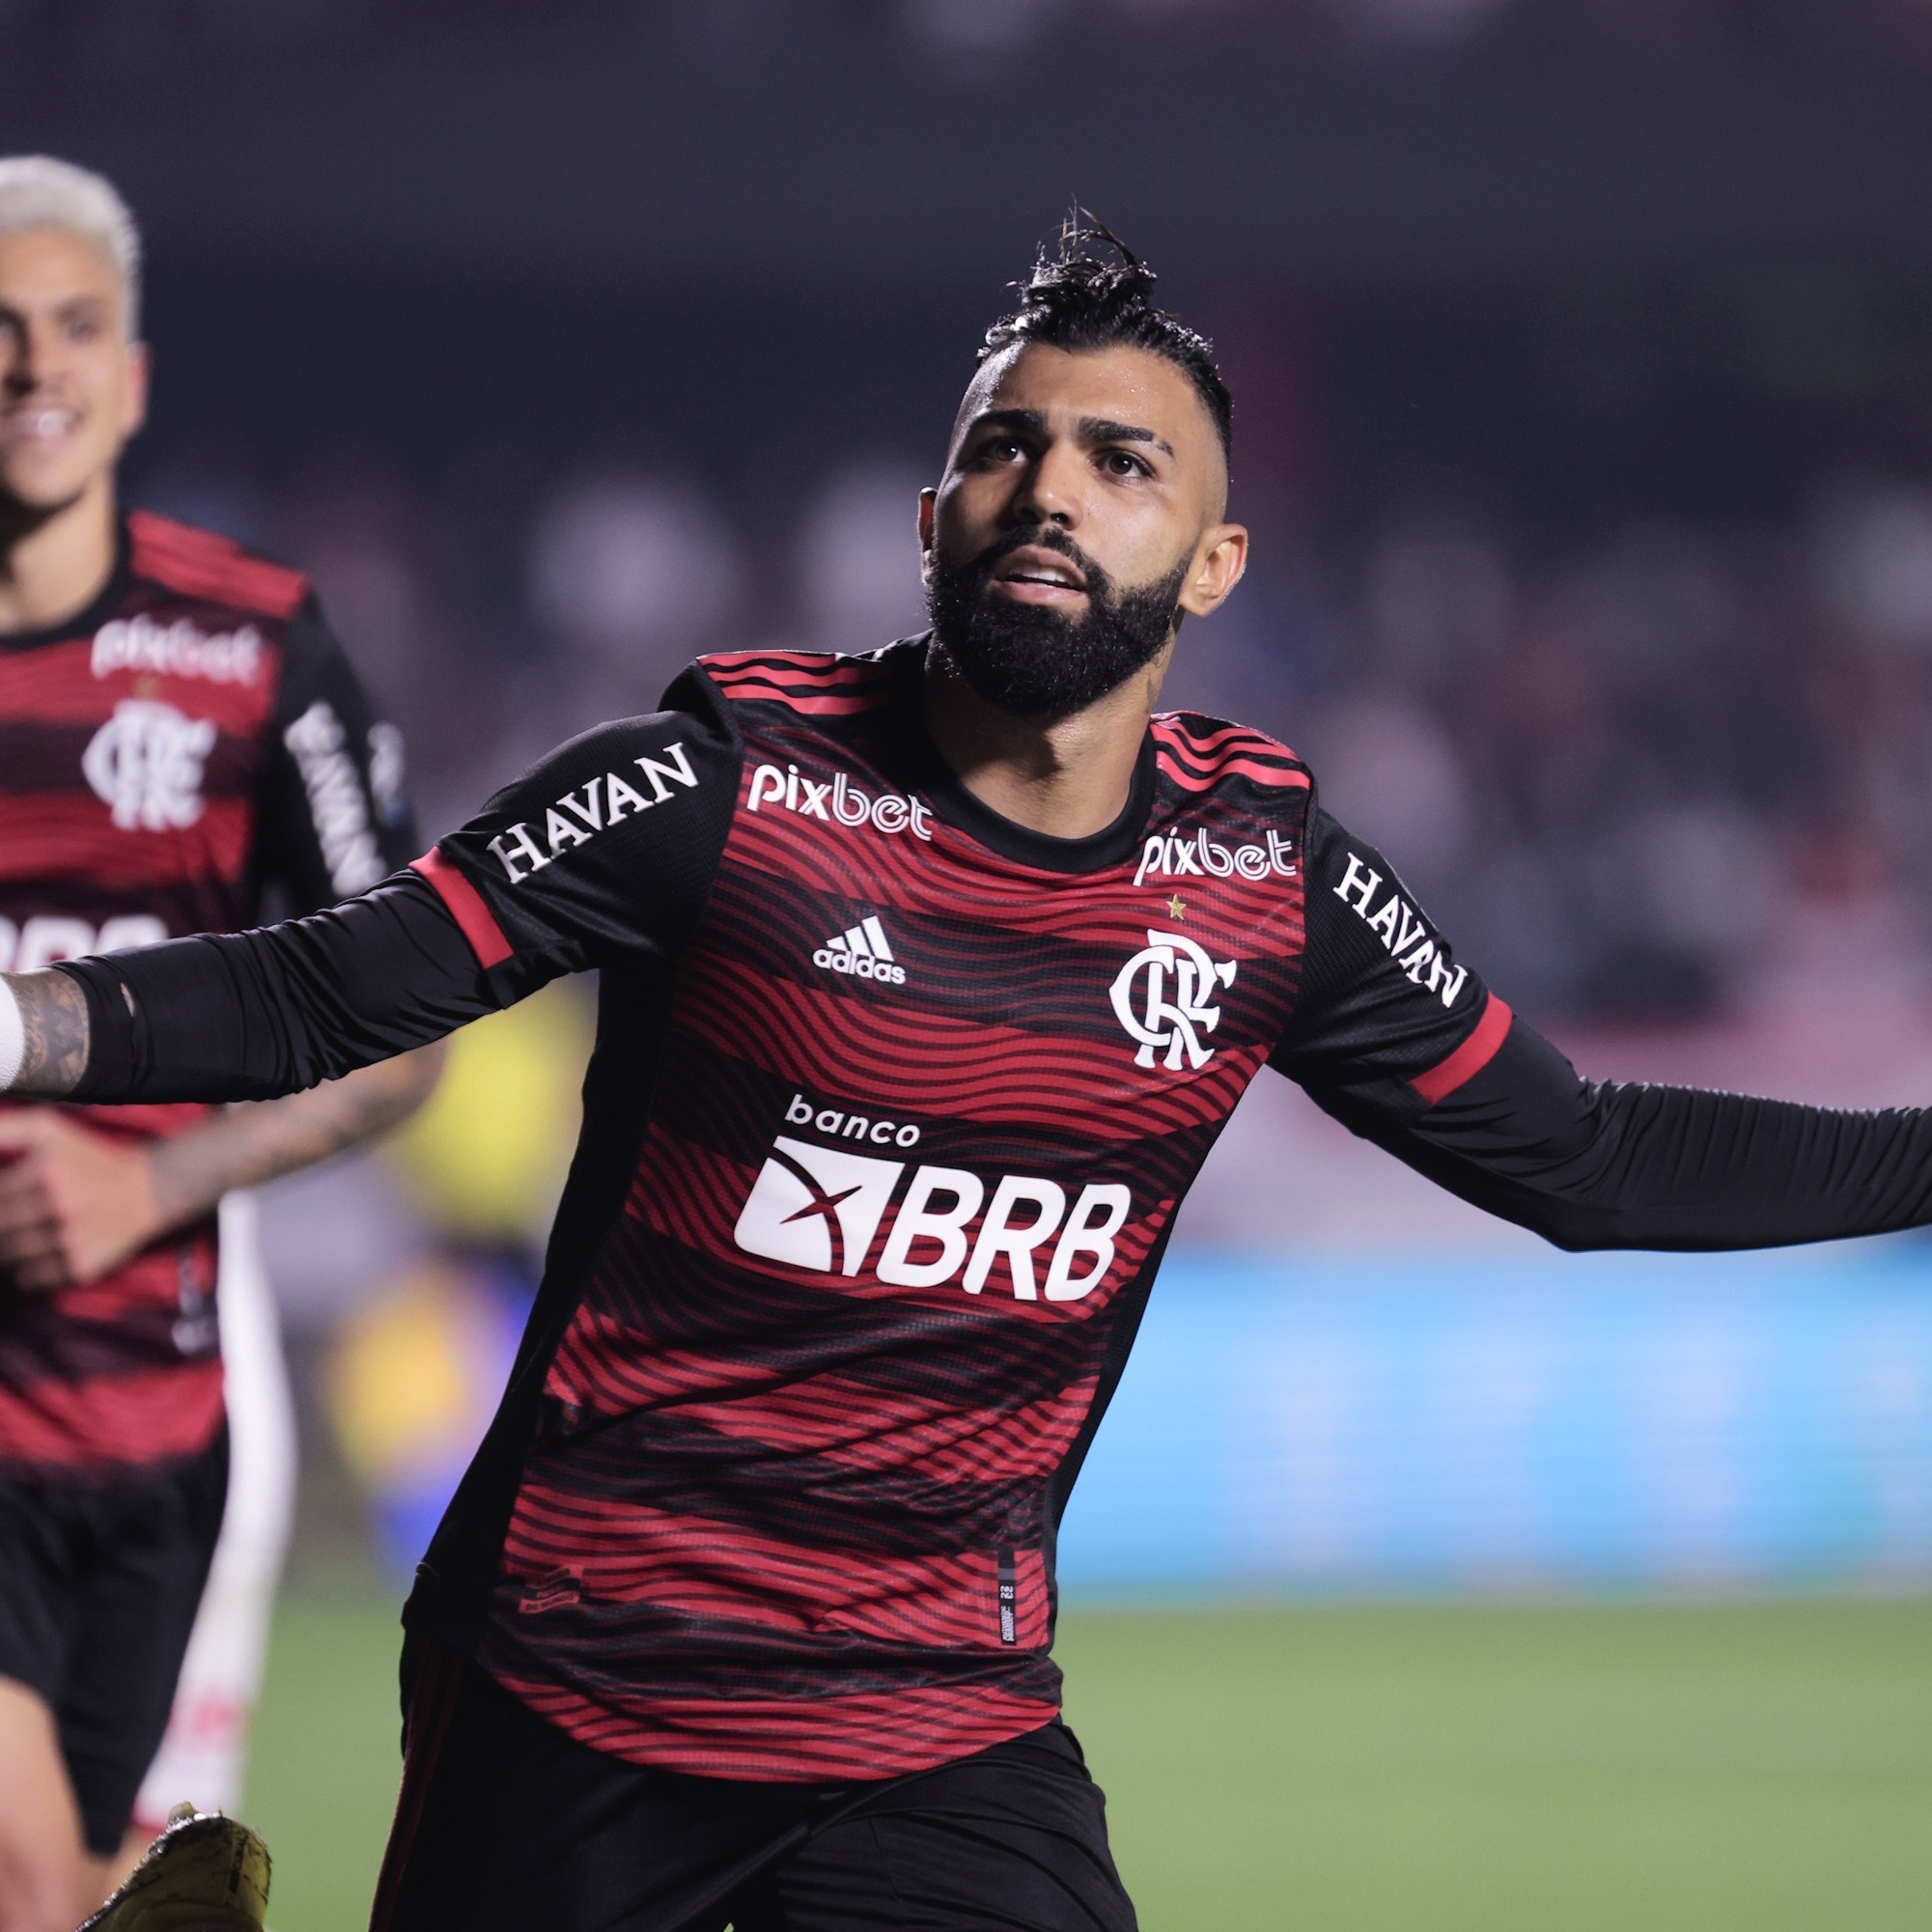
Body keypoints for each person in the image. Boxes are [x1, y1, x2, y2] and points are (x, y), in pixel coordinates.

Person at [6, 220, 1932, 1932]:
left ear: (1213, 559)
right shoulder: (722, 784)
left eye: (1119, 460)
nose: (1048, 489)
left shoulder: (1264, 881)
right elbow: (346, 982)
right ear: (929, 515)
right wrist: (30, 1028)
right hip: (591, 1683)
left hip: (939, 1723)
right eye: (1001, 446)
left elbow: (1581, 1154)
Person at [0, 155, 439, 1932]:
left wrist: (160, 1174)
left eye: (72, 329)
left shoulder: (255, 652)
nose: (33, 366)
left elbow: (409, 1014)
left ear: (132, 377)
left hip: (159, 1408)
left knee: (111, 1885)